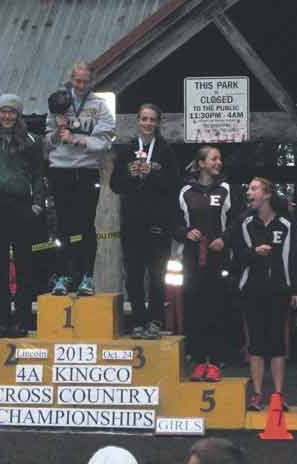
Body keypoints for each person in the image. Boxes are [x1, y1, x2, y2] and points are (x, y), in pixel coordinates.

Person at [0, 94, 44, 338]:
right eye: (3, 111)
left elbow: (38, 174)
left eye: (12, 112)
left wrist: (37, 203)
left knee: (25, 266)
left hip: (23, 206)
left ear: (18, 115)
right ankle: (2, 320)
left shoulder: (32, 141)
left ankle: (22, 320)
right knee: (0, 266)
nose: (7, 116)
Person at [45, 61, 116, 296]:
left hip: (86, 169)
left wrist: (81, 140)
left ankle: (87, 277)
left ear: (91, 81)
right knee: (63, 225)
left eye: (86, 81)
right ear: (71, 79)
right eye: (78, 81)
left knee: (87, 225)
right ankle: (63, 276)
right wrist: (58, 132)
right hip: (60, 169)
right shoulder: (58, 101)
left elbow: (107, 139)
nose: (82, 85)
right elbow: (47, 140)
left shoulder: (98, 105)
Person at [110, 103, 179, 338]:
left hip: (158, 221)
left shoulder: (165, 151)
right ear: (137, 121)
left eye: (152, 120)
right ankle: (138, 321)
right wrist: (131, 174)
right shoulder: (127, 149)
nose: (148, 123)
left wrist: (154, 172)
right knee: (134, 275)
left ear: (158, 123)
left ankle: (156, 321)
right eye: (144, 119)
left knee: (158, 274)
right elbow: (115, 185)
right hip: (132, 222)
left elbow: (173, 185)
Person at [233, 178, 297, 412]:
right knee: (256, 343)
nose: (249, 192)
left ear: (267, 194)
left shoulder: (286, 224)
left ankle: (279, 395)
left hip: (279, 290)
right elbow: (237, 256)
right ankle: (257, 394)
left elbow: (293, 259)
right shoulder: (245, 223)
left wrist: (295, 290)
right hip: (252, 290)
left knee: (277, 343)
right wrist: (254, 252)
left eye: (254, 188)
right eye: (249, 188)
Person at [172, 146, 240, 381]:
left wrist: (224, 239)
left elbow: (236, 221)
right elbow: (175, 222)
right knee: (194, 309)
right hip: (192, 260)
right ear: (201, 163)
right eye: (214, 159)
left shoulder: (227, 190)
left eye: (220, 159)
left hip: (218, 258)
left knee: (218, 308)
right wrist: (185, 232)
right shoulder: (185, 191)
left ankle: (216, 361)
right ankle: (199, 361)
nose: (218, 162)